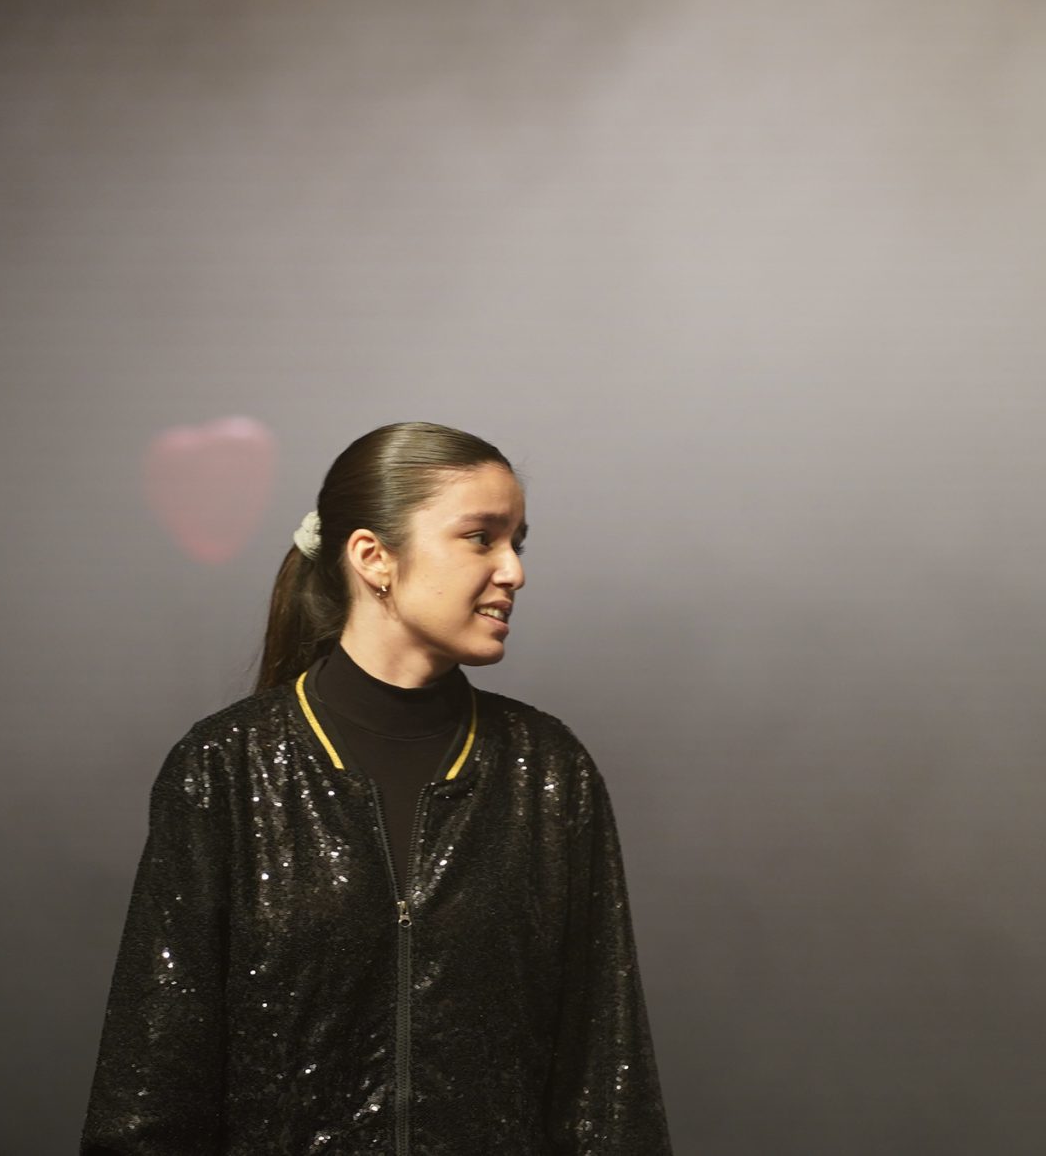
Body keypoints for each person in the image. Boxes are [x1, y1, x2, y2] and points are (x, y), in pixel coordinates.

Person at [81, 421, 671, 1155]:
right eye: (481, 538)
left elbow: (606, 1086)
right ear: (373, 557)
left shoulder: (549, 771)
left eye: (517, 542)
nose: (513, 571)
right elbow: (151, 1088)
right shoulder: (225, 767)